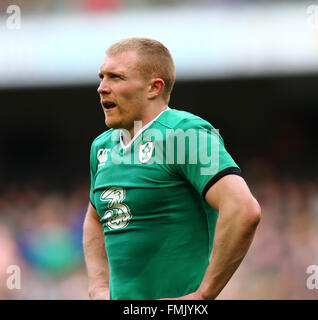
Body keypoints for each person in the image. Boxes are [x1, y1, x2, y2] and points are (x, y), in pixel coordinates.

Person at [83, 37, 261, 300]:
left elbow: (243, 209)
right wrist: (98, 286)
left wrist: (202, 296)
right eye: (101, 77)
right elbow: (95, 217)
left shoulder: (185, 135)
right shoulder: (102, 147)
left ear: (154, 87)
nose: (101, 88)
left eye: (116, 77)